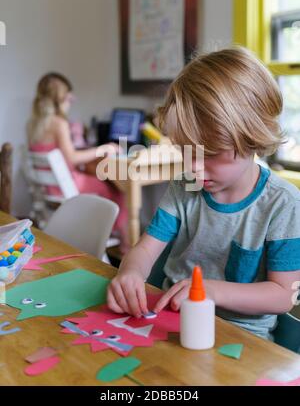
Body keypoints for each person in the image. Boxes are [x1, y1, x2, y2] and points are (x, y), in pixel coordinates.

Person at [107, 47, 300, 340]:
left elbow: (282, 296)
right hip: (173, 322)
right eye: (186, 151)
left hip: (242, 338)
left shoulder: (282, 204)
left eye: (210, 154)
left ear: (253, 139)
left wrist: (209, 289)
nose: (194, 168)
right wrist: (129, 273)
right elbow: (146, 248)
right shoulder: (185, 186)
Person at [27, 72, 129, 254]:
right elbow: (72, 158)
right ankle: (125, 243)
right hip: (66, 186)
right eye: (68, 94)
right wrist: (103, 149)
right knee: (117, 189)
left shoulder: (34, 123)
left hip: (50, 189)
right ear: (61, 97)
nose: (71, 98)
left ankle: (111, 234)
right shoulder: (58, 123)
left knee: (103, 180)